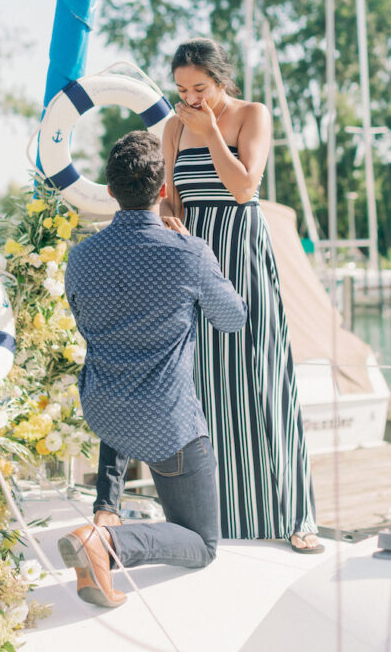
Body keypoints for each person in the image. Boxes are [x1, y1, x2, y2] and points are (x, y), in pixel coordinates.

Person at [94, 38, 321, 554]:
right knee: (209, 387)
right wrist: (169, 212)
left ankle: (292, 513)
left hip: (242, 257)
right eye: (181, 89)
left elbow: (245, 188)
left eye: (200, 88)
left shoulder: (250, 116)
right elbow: (171, 192)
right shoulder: (172, 128)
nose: (190, 97)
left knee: (261, 380)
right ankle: (230, 518)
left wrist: (212, 131)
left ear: (221, 81)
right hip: (194, 257)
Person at [61, 130, 247, 608]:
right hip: (167, 425)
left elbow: (86, 323)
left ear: (109, 192)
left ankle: (107, 515)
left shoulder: (79, 258)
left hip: (105, 412)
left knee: (126, 378)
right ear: (163, 190)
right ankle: (106, 543)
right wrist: (197, 255)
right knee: (203, 544)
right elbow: (232, 319)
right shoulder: (188, 253)